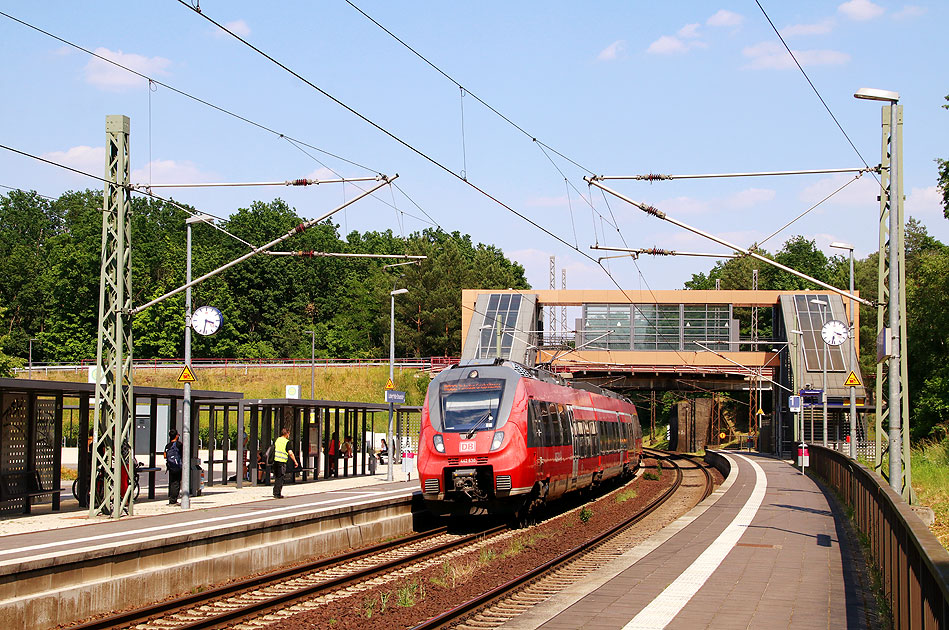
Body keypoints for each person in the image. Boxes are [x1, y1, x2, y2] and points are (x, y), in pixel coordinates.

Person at [272, 427, 297, 499]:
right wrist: (295, 461)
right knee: (281, 477)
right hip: (282, 462)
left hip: (275, 461)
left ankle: (275, 491)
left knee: (277, 477)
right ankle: (277, 493)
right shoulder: (287, 442)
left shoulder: (277, 440)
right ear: (287, 434)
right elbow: (290, 453)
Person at [163, 429, 182, 505]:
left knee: (171, 482)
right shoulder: (179, 445)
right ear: (176, 436)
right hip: (177, 465)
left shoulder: (167, 446)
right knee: (176, 483)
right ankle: (173, 500)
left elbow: (165, 456)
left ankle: (171, 498)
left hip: (170, 466)